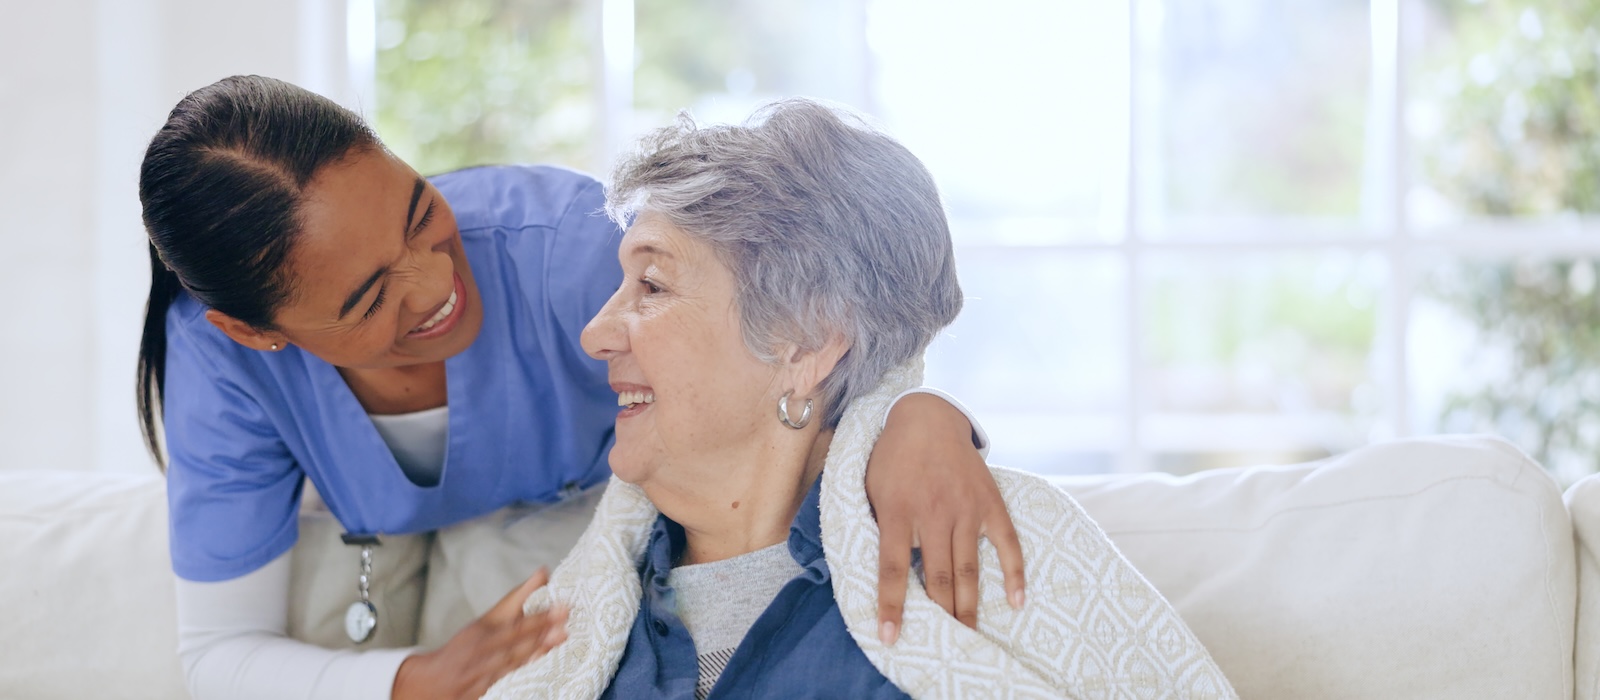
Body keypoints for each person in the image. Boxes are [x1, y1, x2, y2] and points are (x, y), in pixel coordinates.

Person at [137, 76, 1028, 700]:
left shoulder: (573, 252)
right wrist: (415, 681)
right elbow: (218, 652)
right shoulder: (222, 367)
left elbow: (816, 309)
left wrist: (917, 413)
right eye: (370, 298)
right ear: (256, 332)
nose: (434, 284)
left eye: (419, 211)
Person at [483, 99, 1237, 699]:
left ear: (806, 343)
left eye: (651, 285)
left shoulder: (980, 552)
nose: (595, 332)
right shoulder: (567, 635)